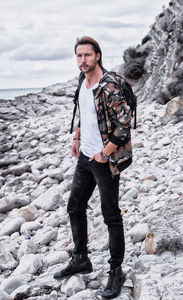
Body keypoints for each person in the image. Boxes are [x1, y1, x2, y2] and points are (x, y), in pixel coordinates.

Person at [53, 36, 132, 299]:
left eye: (87, 55)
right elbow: (81, 112)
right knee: (74, 206)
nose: (82, 61)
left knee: (111, 216)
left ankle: (115, 271)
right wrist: (77, 138)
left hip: (104, 161)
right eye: (78, 56)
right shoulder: (83, 82)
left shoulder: (109, 86)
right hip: (84, 158)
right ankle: (81, 258)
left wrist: (104, 153)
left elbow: (124, 125)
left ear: (97, 55)